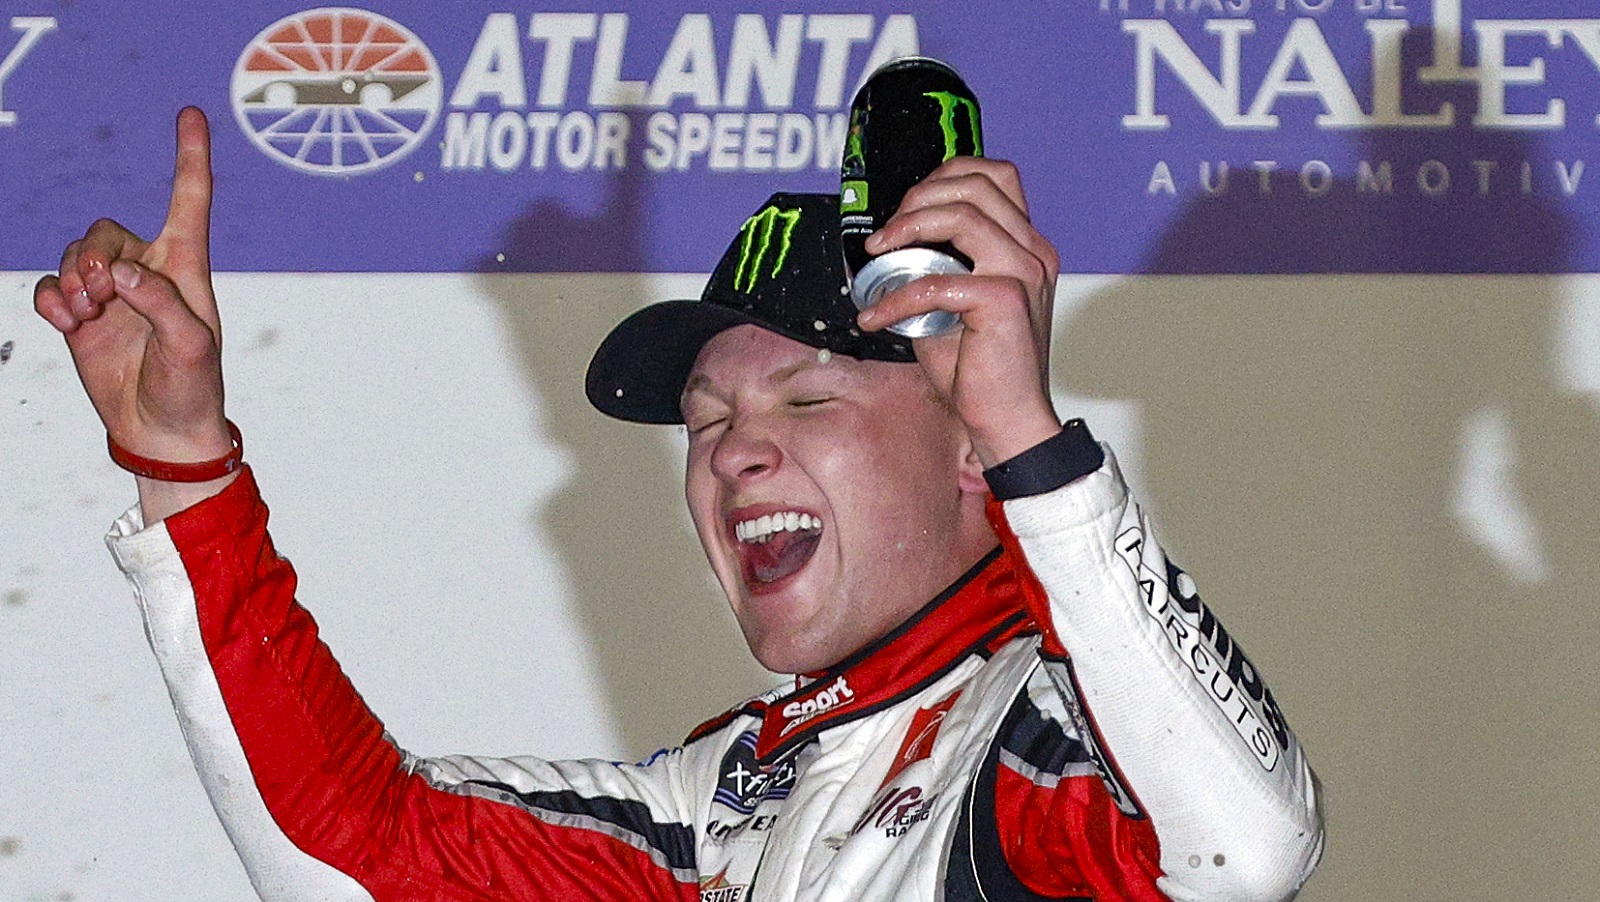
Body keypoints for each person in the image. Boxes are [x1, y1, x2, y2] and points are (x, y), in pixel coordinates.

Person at [35, 108, 1324, 901]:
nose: (734, 456)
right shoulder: (719, 801)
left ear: (968, 450)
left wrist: (1033, 439)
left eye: (808, 403)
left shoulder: (1040, 727)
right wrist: (187, 473)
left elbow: (1241, 851)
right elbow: (352, 850)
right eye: (707, 422)